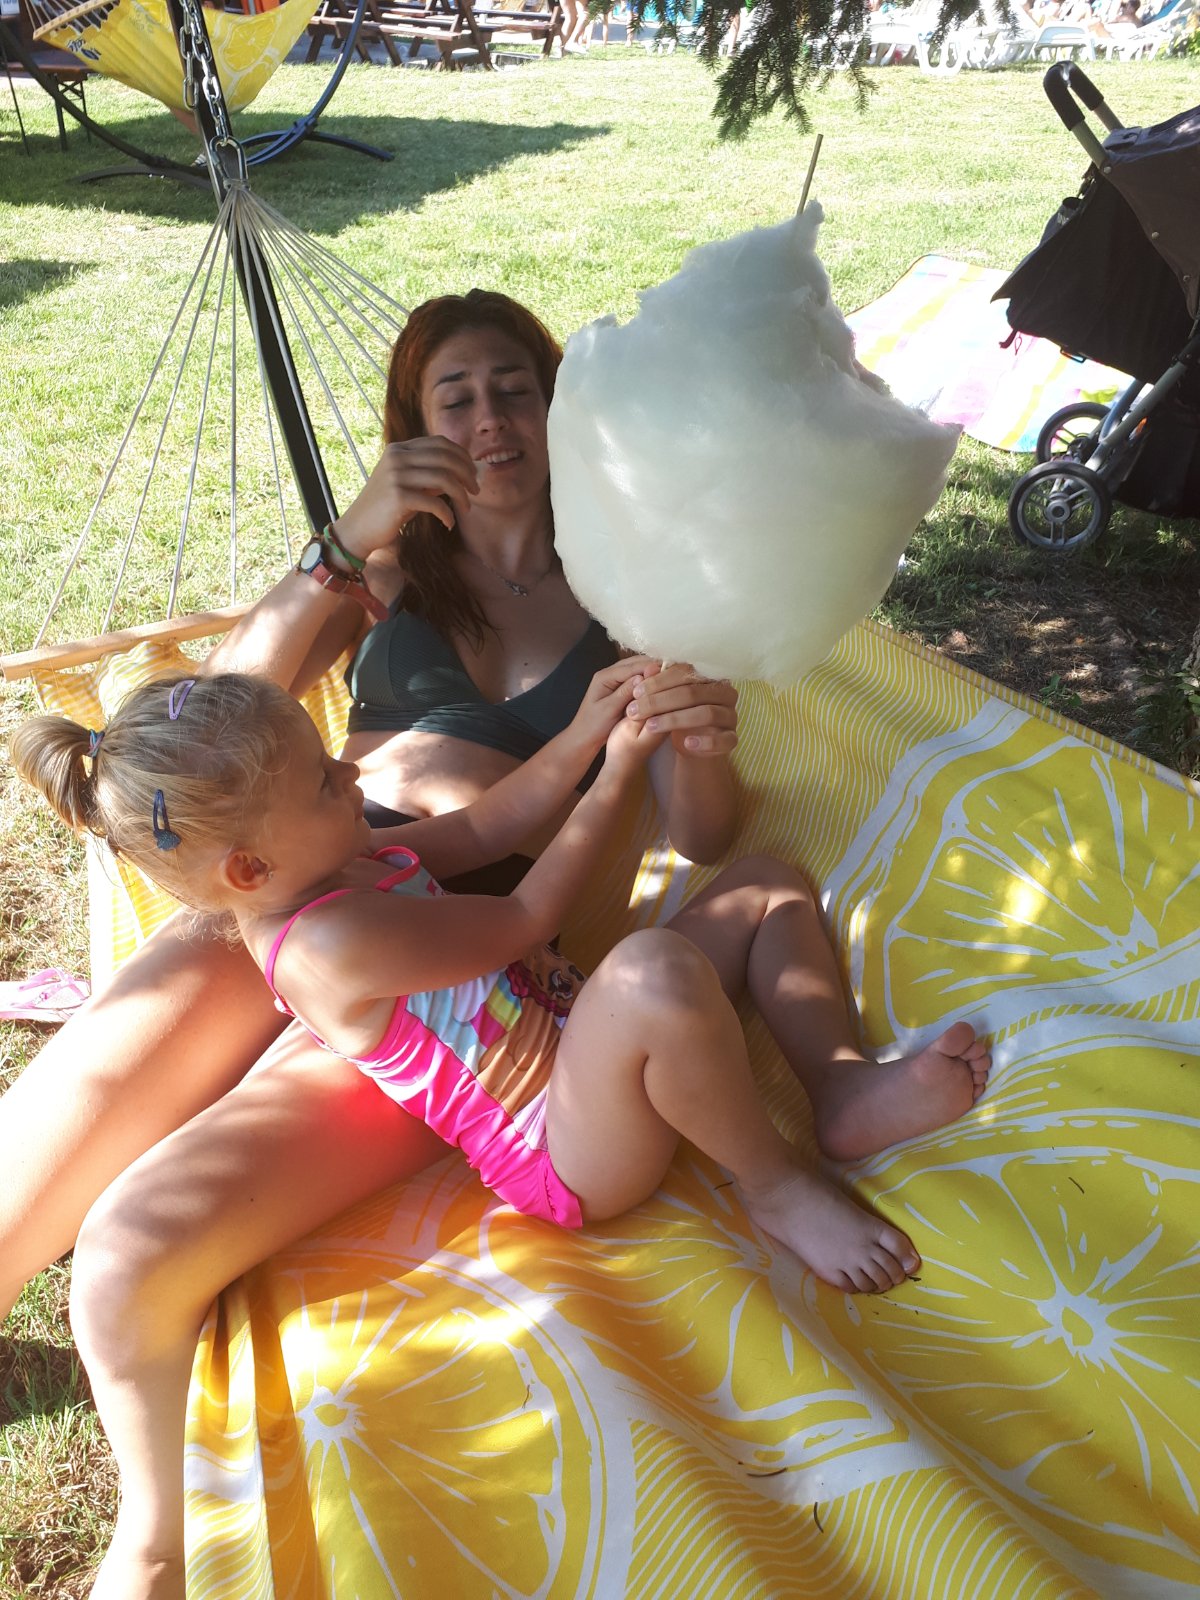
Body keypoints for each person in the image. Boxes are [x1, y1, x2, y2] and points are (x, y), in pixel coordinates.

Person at [12, 666, 991, 1599]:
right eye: (323, 778)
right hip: (563, 1148)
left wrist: (589, 730)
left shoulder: (338, 862)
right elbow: (526, 914)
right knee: (652, 972)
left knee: (765, 884)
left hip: (583, 1044)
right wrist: (618, 769)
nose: (351, 771)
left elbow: (489, 824)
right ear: (248, 866)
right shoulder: (328, 944)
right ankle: (776, 1185)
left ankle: (840, 1085)